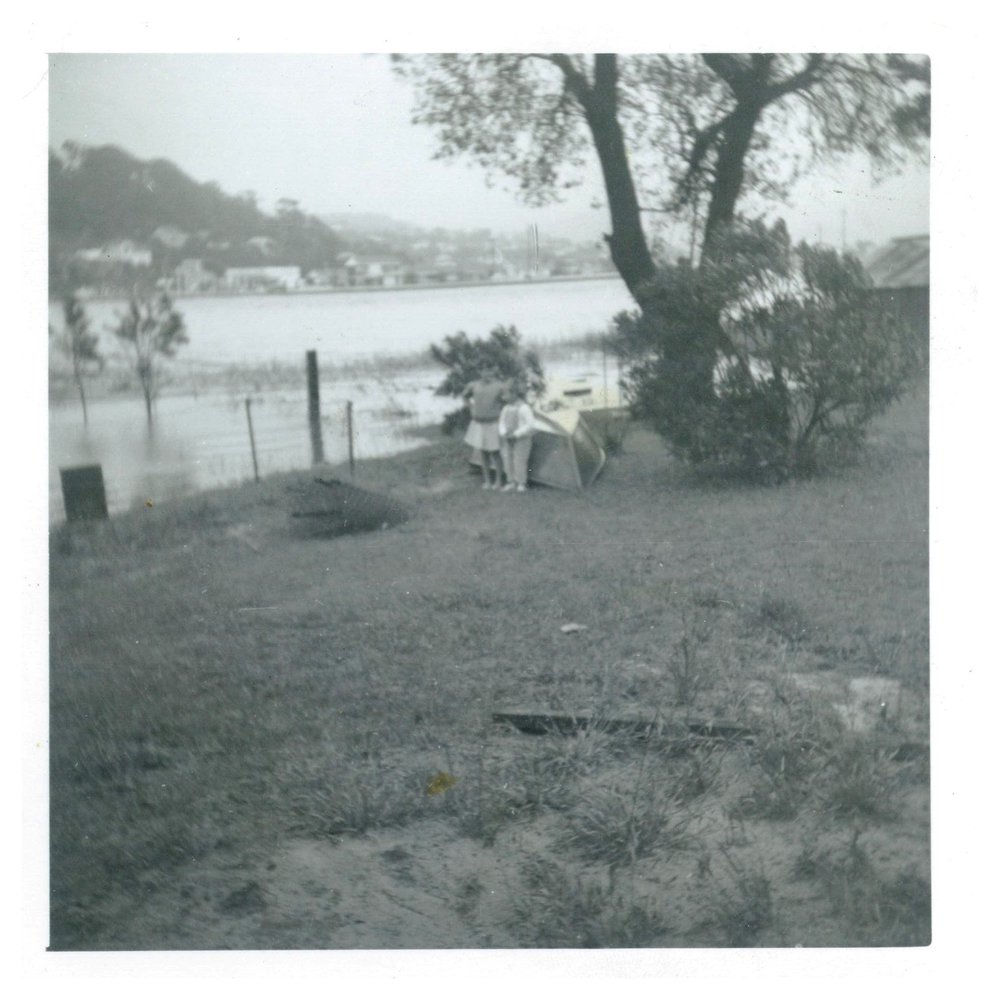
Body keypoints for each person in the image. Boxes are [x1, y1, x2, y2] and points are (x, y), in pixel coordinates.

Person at [462, 370, 508, 489]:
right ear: (480, 372)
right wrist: (471, 407)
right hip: (479, 423)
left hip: (493, 422)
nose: (486, 374)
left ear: (493, 372)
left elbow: (508, 400)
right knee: (483, 452)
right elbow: (464, 396)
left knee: (495, 452)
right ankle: (487, 480)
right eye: (484, 371)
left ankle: (498, 481)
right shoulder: (474, 385)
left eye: (489, 372)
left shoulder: (499, 386)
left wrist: (502, 412)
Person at [498, 382, 534, 493]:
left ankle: (521, 483)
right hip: (508, 438)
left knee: (519, 460)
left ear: (514, 394)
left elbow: (530, 424)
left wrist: (517, 434)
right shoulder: (506, 408)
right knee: (507, 459)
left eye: (505, 394)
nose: (503, 397)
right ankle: (511, 481)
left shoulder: (524, 408)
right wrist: (503, 432)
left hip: (521, 439)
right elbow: (501, 422)